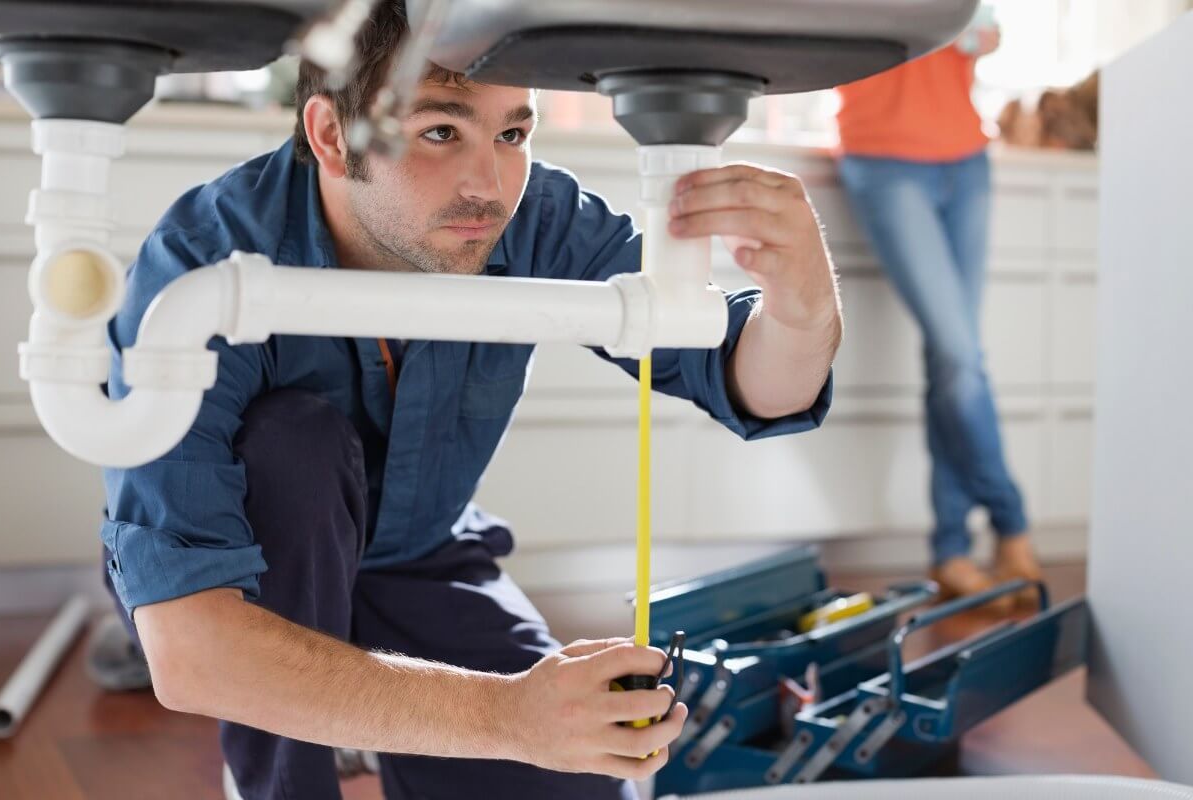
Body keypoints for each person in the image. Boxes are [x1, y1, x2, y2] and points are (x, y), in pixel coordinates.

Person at [98, 2, 842, 798]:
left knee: (591, 782)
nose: (489, 185)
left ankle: (363, 703)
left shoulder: (533, 217)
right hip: (246, 577)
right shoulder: (202, 264)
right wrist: (505, 716)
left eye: (513, 135)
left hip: (419, 553)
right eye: (441, 132)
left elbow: (753, 384)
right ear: (330, 136)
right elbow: (193, 653)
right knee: (295, 443)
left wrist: (801, 304)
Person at [834, 14, 1042, 611]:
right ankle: (1013, 524)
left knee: (951, 363)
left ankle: (952, 551)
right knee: (959, 355)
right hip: (885, 158)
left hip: (967, 160)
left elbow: (987, 35)